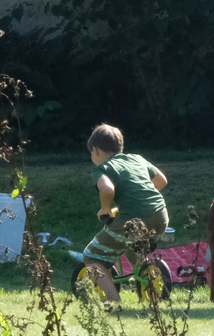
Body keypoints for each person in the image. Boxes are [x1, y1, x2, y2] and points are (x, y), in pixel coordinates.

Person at [82, 123, 170, 303]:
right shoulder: (137, 159)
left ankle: (114, 301)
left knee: (91, 256)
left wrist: (105, 208)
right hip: (161, 215)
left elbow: (107, 189)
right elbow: (162, 181)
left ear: (96, 150)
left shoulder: (102, 168)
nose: (92, 157)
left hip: (133, 219)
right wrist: (139, 201)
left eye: (91, 153)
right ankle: (150, 284)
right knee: (132, 245)